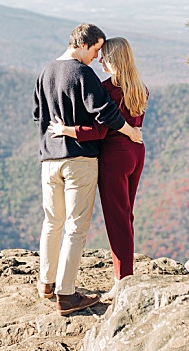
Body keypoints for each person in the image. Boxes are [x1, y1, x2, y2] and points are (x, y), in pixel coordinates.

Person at [33, 24, 142, 315]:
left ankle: (46, 282)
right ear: (84, 44)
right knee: (75, 227)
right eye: (96, 50)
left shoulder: (45, 71)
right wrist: (130, 132)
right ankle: (66, 295)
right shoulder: (83, 74)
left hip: (49, 158)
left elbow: (37, 114)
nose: (97, 57)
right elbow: (105, 114)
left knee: (52, 221)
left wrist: (58, 128)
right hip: (79, 159)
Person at [49, 36, 148, 285]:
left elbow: (100, 131)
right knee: (126, 217)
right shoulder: (140, 88)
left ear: (113, 59)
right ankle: (126, 272)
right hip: (136, 153)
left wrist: (66, 130)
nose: (100, 59)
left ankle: (123, 280)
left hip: (114, 157)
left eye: (104, 55)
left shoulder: (107, 89)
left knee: (117, 220)